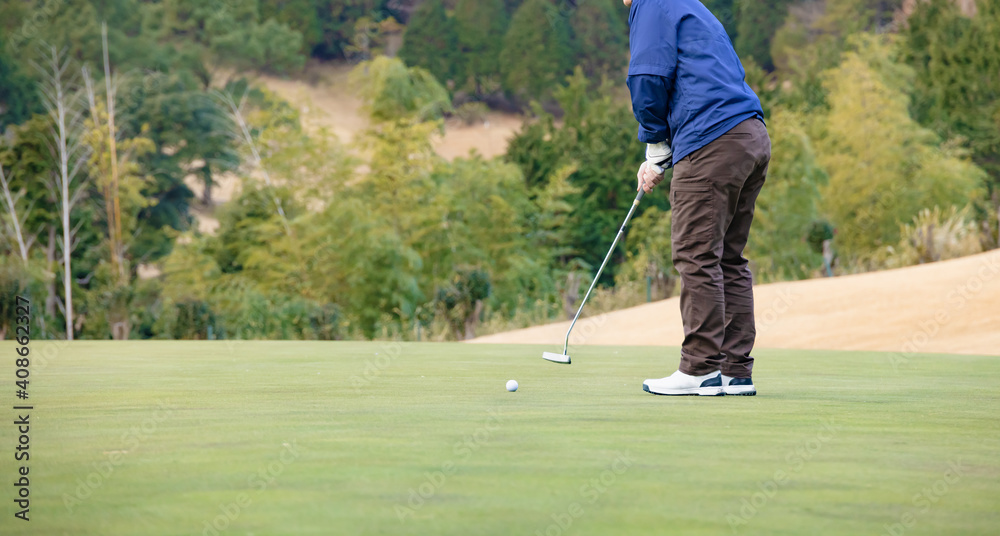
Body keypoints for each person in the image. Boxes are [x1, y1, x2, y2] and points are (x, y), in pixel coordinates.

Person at [624, 0, 771, 396]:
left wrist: (655, 145)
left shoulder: (651, 4)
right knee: (727, 258)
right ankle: (734, 371)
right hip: (749, 136)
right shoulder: (689, 5)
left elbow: (648, 78)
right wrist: (662, 147)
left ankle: (699, 368)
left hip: (713, 142)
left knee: (696, 254)